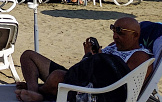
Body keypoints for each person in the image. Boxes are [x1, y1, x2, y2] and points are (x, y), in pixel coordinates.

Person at [14, 17, 152, 102]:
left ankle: (40, 92)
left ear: (135, 35)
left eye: (120, 32)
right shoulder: (114, 46)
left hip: (92, 91)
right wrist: (88, 55)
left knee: (57, 76)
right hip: (79, 76)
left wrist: (91, 58)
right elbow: (91, 66)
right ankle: (34, 91)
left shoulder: (139, 56)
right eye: (113, 30)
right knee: (28, 56)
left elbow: (124, 87)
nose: (115, 36)